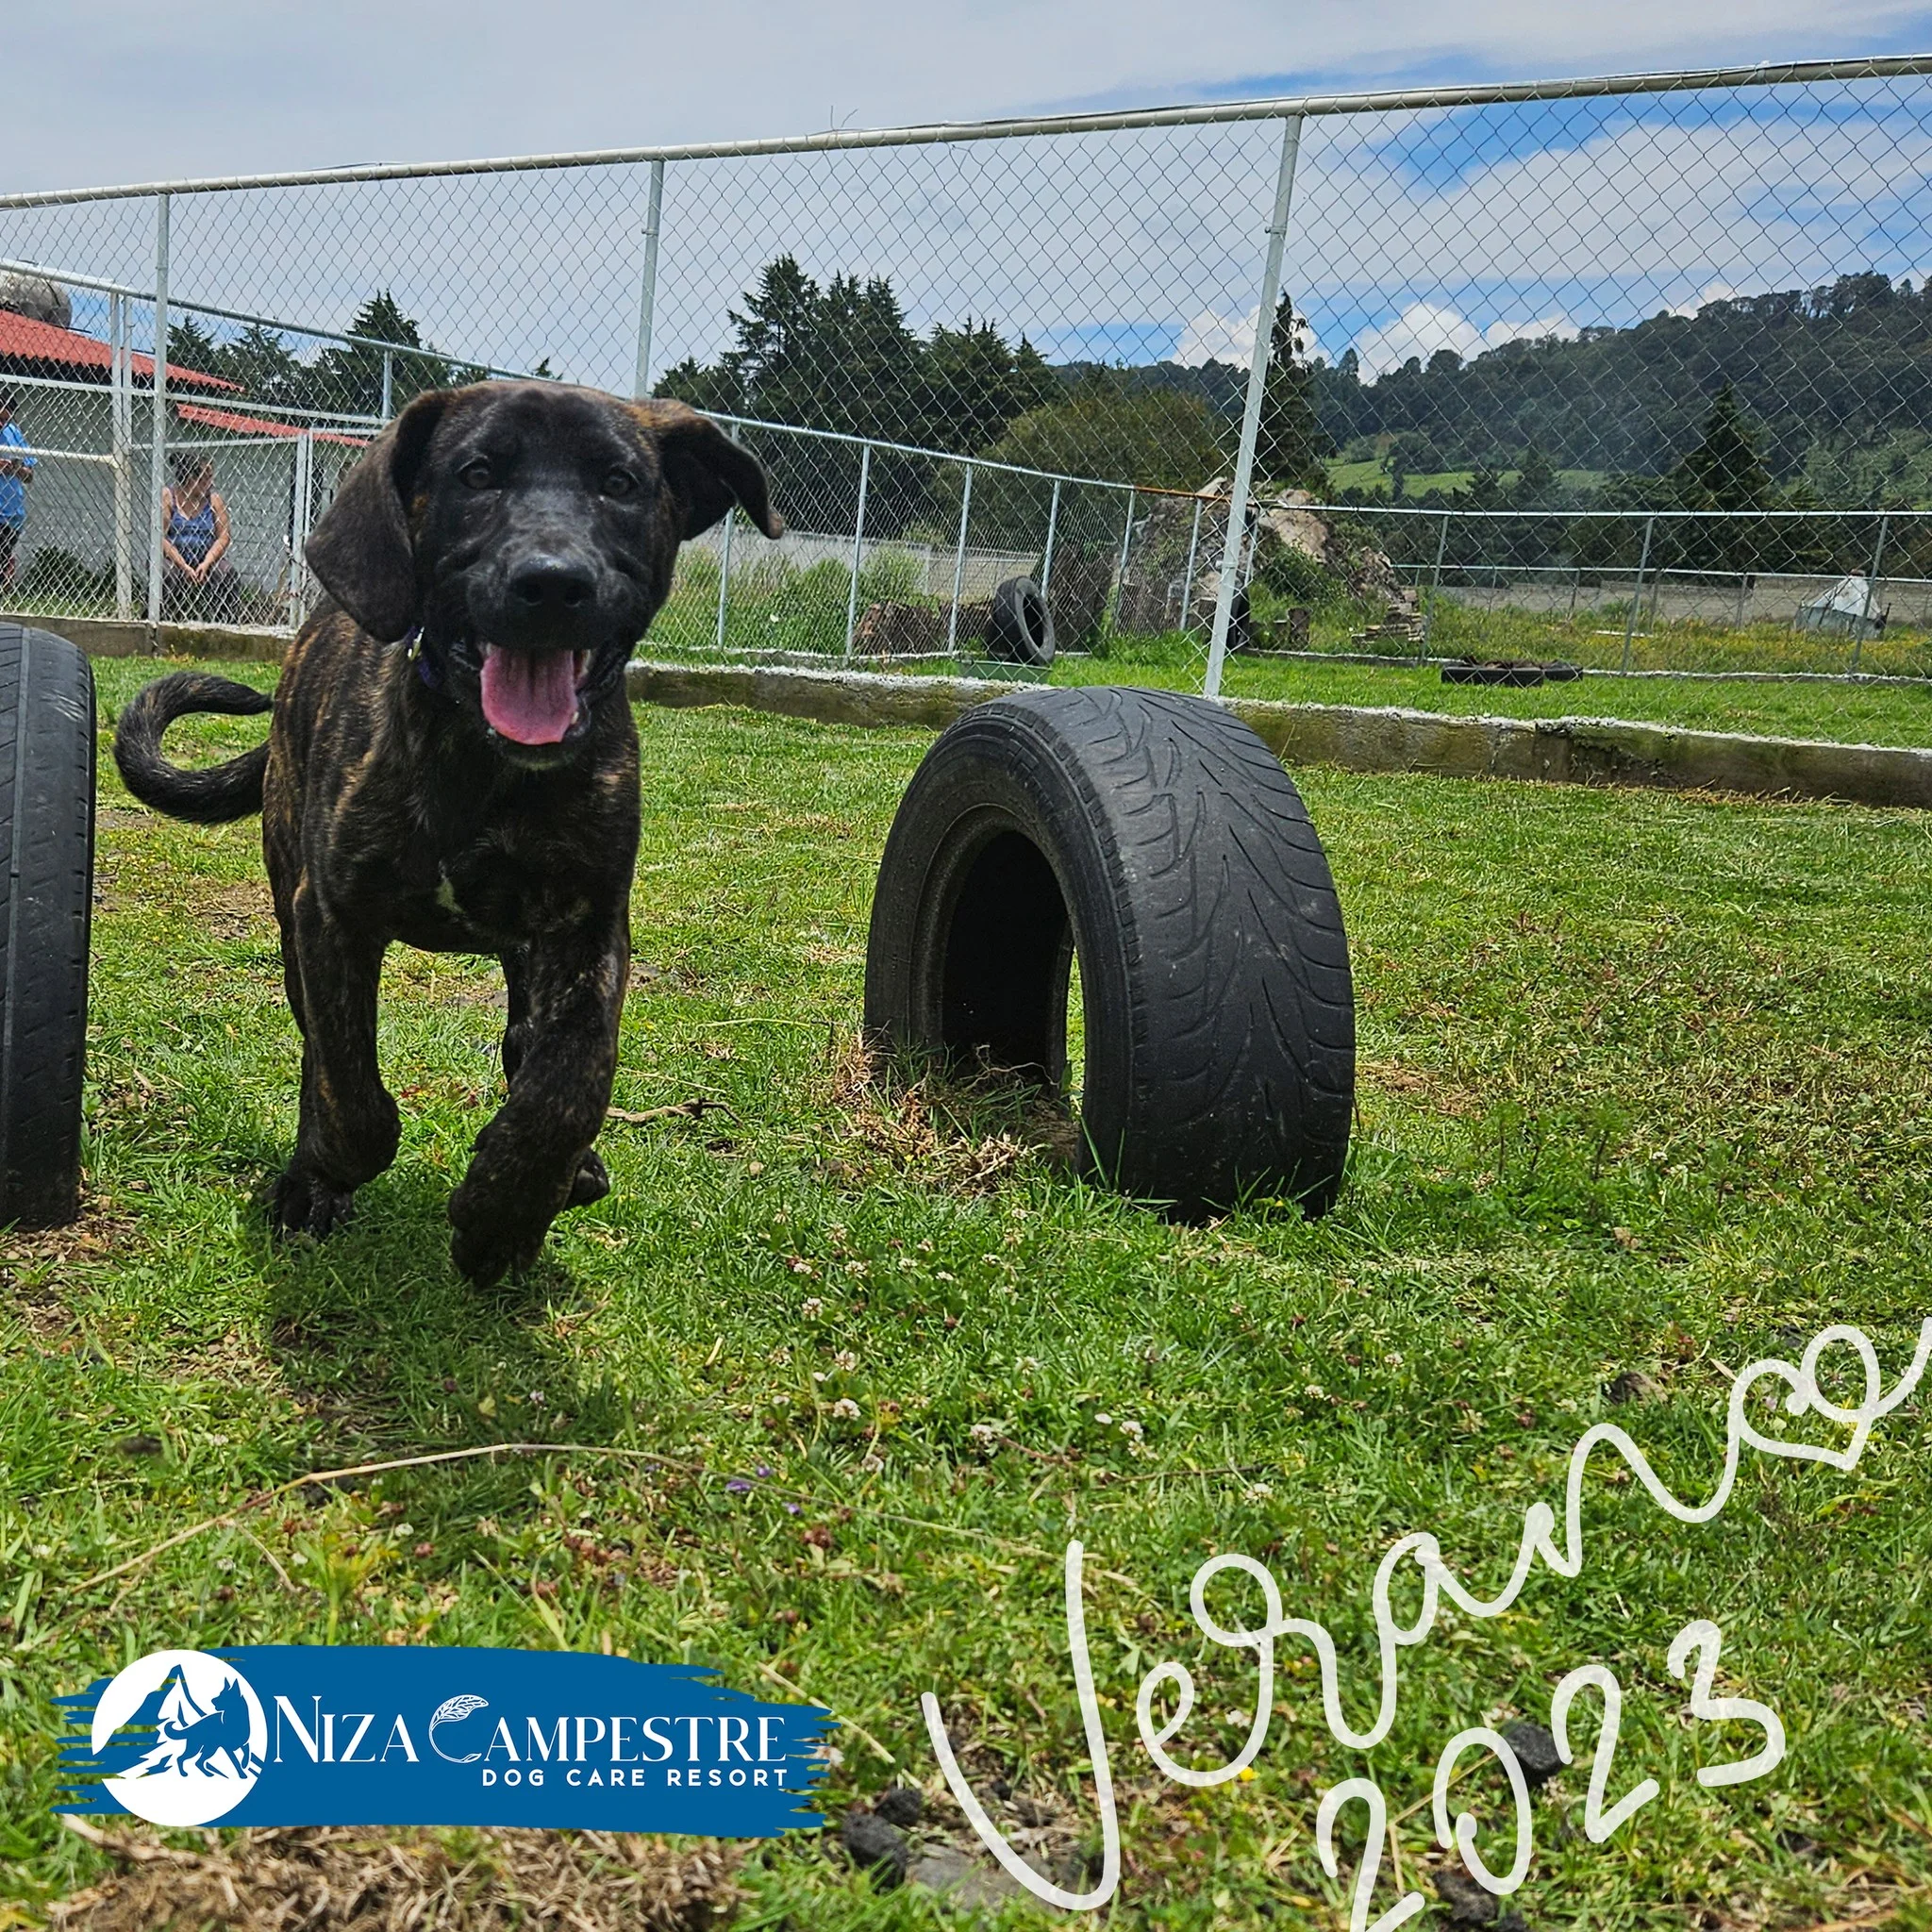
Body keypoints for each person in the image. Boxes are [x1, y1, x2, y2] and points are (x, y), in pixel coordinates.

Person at [160, 453, 240, 621]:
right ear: (190, 477)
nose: (209, 483)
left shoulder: (214, 500)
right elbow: (160, 537)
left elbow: (223, 537)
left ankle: (225, 623)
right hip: (174, 559)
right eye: (204, 479)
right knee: (167, 573)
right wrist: (183, 565)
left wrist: (206, 563)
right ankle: (163, 620)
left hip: (205, 560)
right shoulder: (169, 496)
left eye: (210, 478)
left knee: (226, 573)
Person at [0, 388, 37, 593]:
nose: (2, 424)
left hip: (11, 514)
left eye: (6, 420)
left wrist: (15, 468)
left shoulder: (13, 432)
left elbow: (29, 475)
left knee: (3, 559)